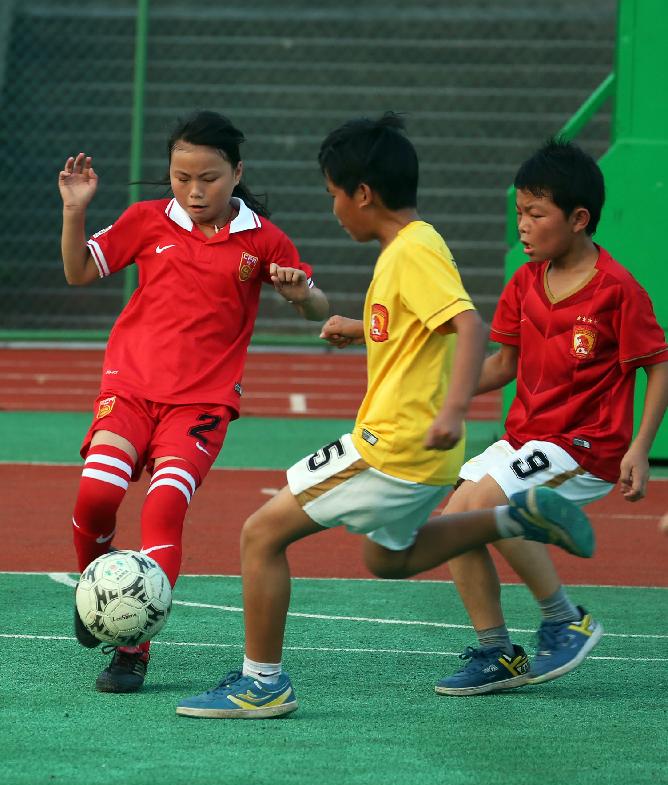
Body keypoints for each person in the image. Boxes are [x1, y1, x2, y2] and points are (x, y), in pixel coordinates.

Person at [175, 114, 596, 720]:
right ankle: (512, 518)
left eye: (333, 196)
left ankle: (261, 683)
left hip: (391, 446)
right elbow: (415, 332)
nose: (334, 210)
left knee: (260, 534)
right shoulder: (413, 246)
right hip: (425, 455)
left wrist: (454, 407)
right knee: (388, 560)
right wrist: (359, 328)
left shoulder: (411, 253)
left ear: (363, 194)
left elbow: (468, 324)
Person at [59, 110, 329, 693]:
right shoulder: (146, 221)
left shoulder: (263, 239)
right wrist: (75, 207)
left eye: (207, 177)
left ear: (237, 172)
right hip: (129, 387)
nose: (193, 190)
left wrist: (300, 290)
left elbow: (315, 306)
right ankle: (97, 594)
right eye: (181, 177)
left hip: (201, 404)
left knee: (163, 511)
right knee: (96, 495)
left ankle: (132, 647)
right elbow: (79, 271)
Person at [434, 138, 668, 696]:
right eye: (519, 213)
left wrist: (640, 446)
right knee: (451, 525)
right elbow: (504, 365)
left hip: (585, 446)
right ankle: (498, 652)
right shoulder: (523, 281)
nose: (523, 225)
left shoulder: (617, 291)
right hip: (529, 438)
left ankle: (565, 619)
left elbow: (658, 365)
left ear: (579, 218)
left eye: (536, 214)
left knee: (495, 504)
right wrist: (446, 393)